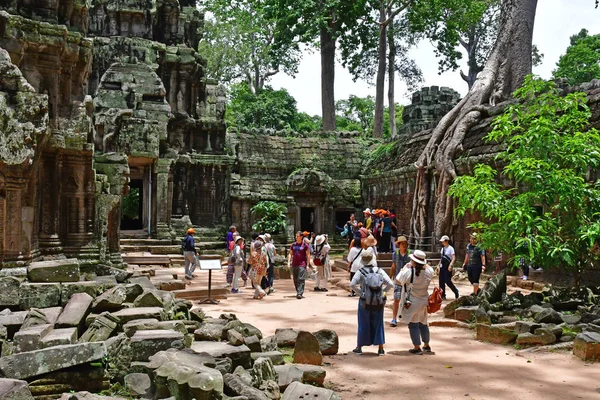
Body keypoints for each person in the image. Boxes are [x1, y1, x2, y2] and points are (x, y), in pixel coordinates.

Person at [350, 247, 394, 356]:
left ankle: (359, 347)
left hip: (365, 301)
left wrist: (361, 293)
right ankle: (380, 348)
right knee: (378, 323)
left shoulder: (360, 272)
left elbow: (352, 284)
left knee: (363, 323)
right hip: (378, 301)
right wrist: (382, 293)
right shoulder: (379, 271)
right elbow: (390, 284)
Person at [396, 249, 435, 355]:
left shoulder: (408, 272)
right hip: (424, 301)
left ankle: (417, 347)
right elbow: (432, 271)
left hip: (412, 302)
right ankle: (426, 345)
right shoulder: (428, 271)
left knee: (413, 324)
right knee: (423, 323)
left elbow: (398, 280)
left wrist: (404, 268)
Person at [389, 236, 411, 327]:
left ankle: (410, 319)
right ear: (399, 245)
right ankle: (394, 319)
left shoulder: (410, 254)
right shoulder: (395, 254)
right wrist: (390, 278)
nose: (404, 245)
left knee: (409, 300)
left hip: (408, 281)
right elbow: (393, 266)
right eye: (402, 244)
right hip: (398, 280)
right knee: (396, 299)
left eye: (405, 243)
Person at [288, 231, 311, 299]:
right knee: (295, 279)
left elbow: (308, 255)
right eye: (296, 236)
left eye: (297, 236)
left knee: (301, 278)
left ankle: (299, 293)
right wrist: (289, 262)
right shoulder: (293, 245)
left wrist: (307, 265)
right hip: (294, 264)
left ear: (301, 237)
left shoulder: (305, 245)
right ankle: (298, 290)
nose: (296, 237)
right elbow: (290, 254)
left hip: (302, 264)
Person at [438, 235, 459, 300]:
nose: (442, 243)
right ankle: (443, 295)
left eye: (443, 241)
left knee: (447, 280)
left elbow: (453, 258)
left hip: (448, 266)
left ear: (446, 241)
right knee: (441, 281)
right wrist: (438, 266)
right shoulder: (443, 249)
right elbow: (441, 258)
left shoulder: (451, 248)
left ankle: (455, 291)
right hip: (442, 266)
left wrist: (451, 265)